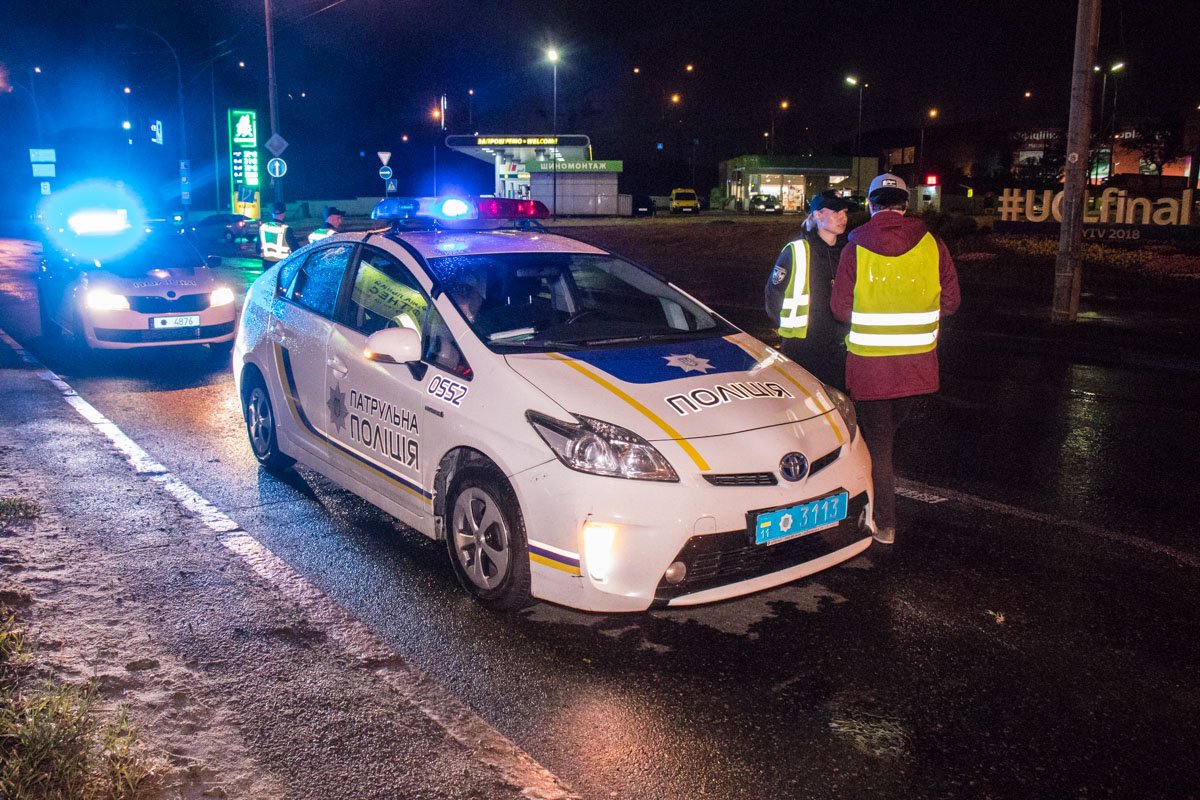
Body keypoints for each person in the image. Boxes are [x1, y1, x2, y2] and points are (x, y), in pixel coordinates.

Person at [830, 173, 960, 545]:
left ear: (871, 205)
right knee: (885, 441)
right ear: (906, 205)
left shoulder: (854, 248)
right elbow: (951, 302)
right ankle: (875, 503)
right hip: (918, 367)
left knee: (880, 445)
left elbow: (840, 310)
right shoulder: (934, 245)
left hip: (871, 368)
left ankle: (885, 523)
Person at [764, 190, 854, 388]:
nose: (843, 218)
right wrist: (789, 328)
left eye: (845, 212)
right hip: (802, 348)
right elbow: (773, 296)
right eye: (836, 212)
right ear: (817, 215)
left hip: (839, 346)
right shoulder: (796, 250)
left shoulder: (848, 251)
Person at [259, 202, 300, 266]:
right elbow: (296, 249)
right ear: (284, 214)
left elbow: (258, 249)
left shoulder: (263, 227)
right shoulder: (286, 229)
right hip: (282, 265)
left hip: (267, 264)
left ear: (272, 213)